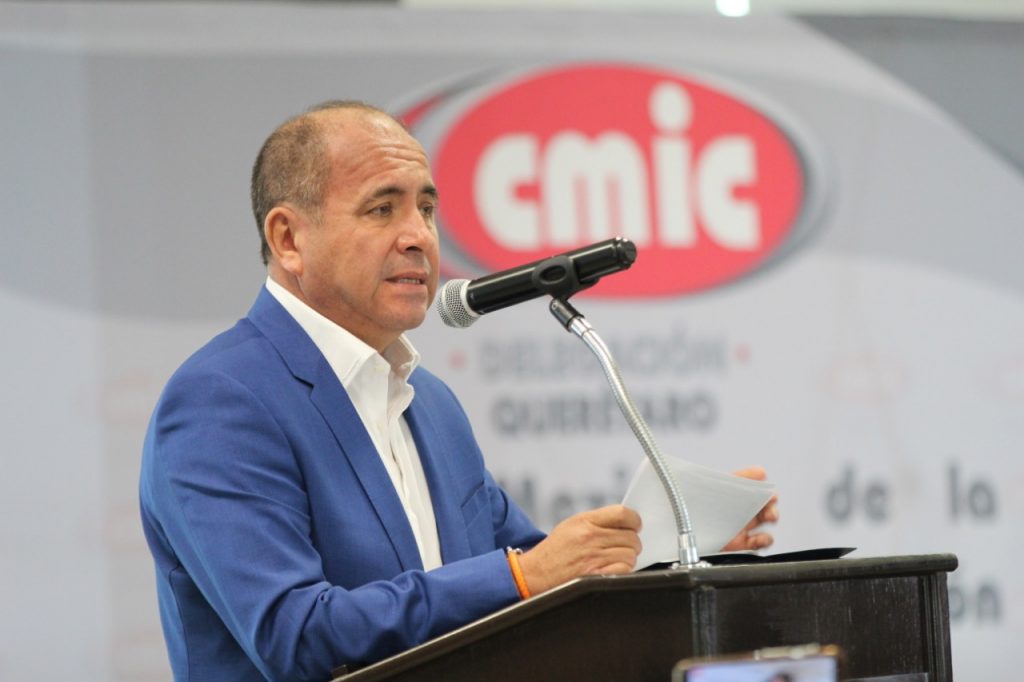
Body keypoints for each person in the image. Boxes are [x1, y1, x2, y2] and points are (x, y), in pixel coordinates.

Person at [139, 100, 778, 682]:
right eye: (382, 209)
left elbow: (541, 580)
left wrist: (672, 545)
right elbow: (297, 635)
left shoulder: (431, 403)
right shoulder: (222, 401)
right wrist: (523, 575)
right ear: (289, 239)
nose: (418, 235)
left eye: (426, 208)